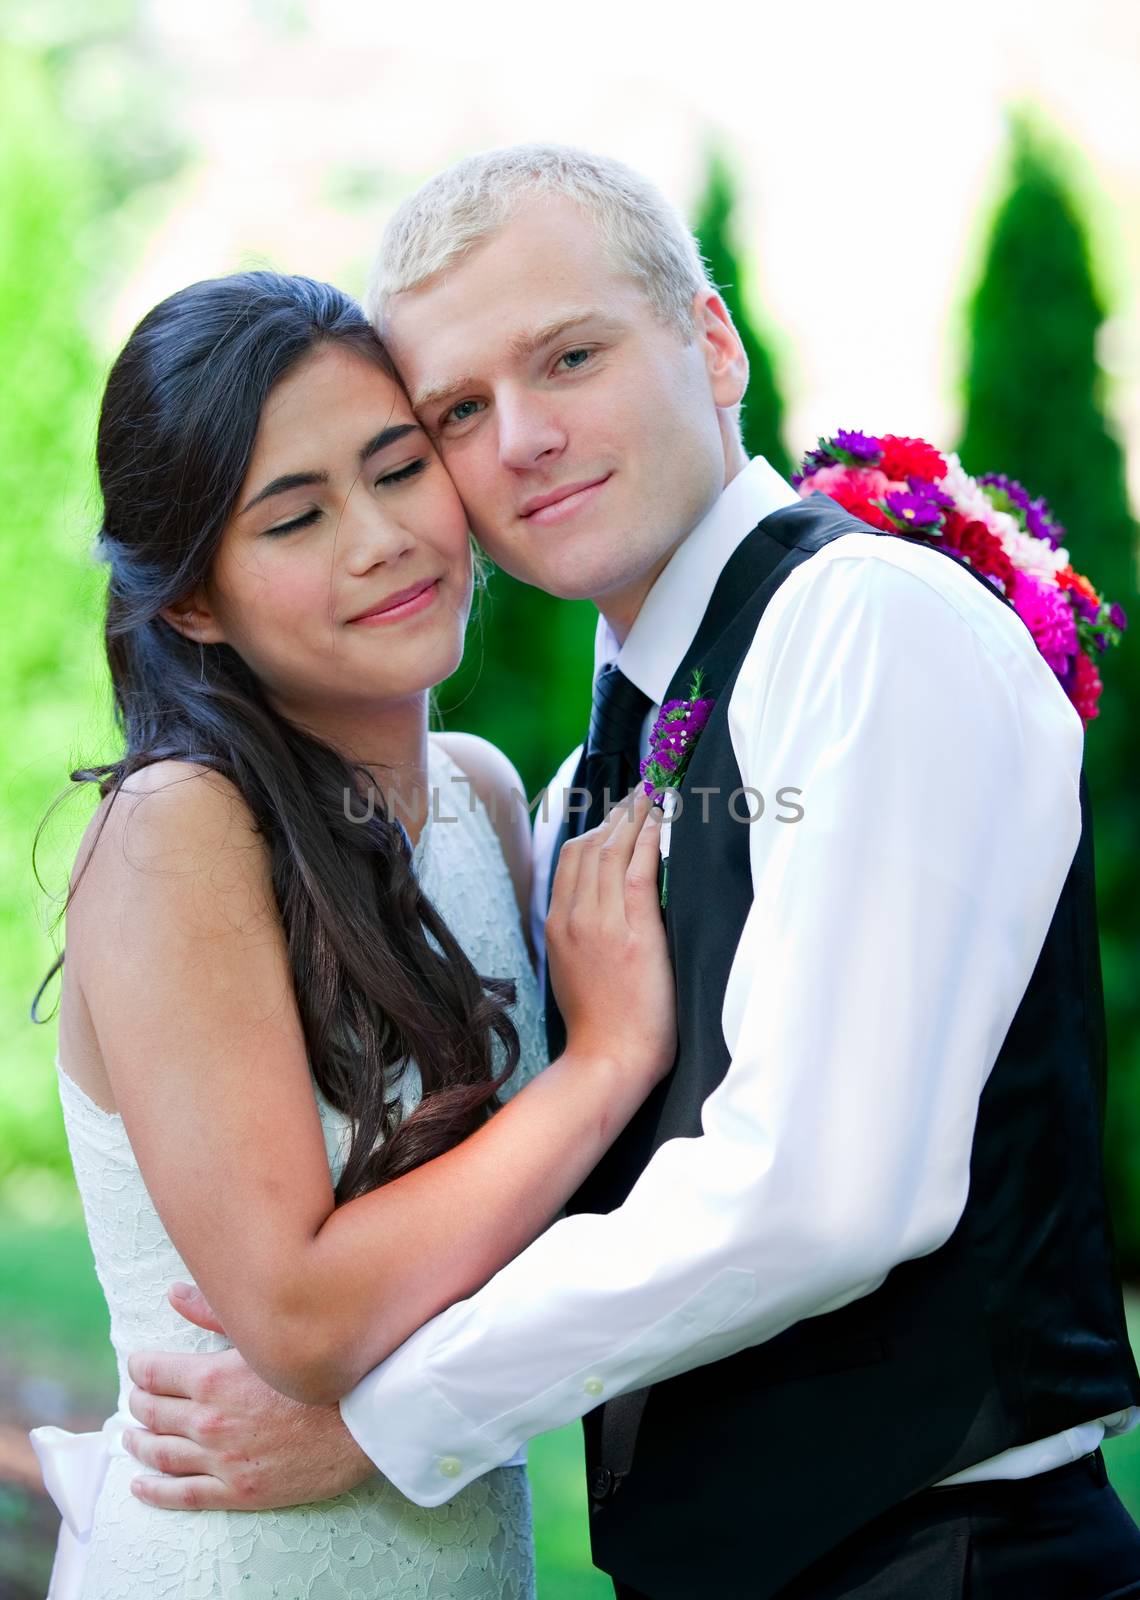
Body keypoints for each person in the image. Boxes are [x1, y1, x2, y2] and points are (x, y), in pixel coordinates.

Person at [125, 148, 1140, 1599]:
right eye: (458, 412)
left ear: (711, 342)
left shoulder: (872, 628)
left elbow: (825, 1197)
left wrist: (381, 1419)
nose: (524, 436)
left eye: (571, 356)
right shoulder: (587, 769)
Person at [27, 267, 676, 1600]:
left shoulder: (487, 797)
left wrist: (388, 1429)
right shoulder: (180, 830)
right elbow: (303, 1314)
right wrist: (606, 1063)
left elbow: (543, 1221)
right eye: (295, 517)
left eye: (397, 469)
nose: (380, 538)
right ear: (193, 601)